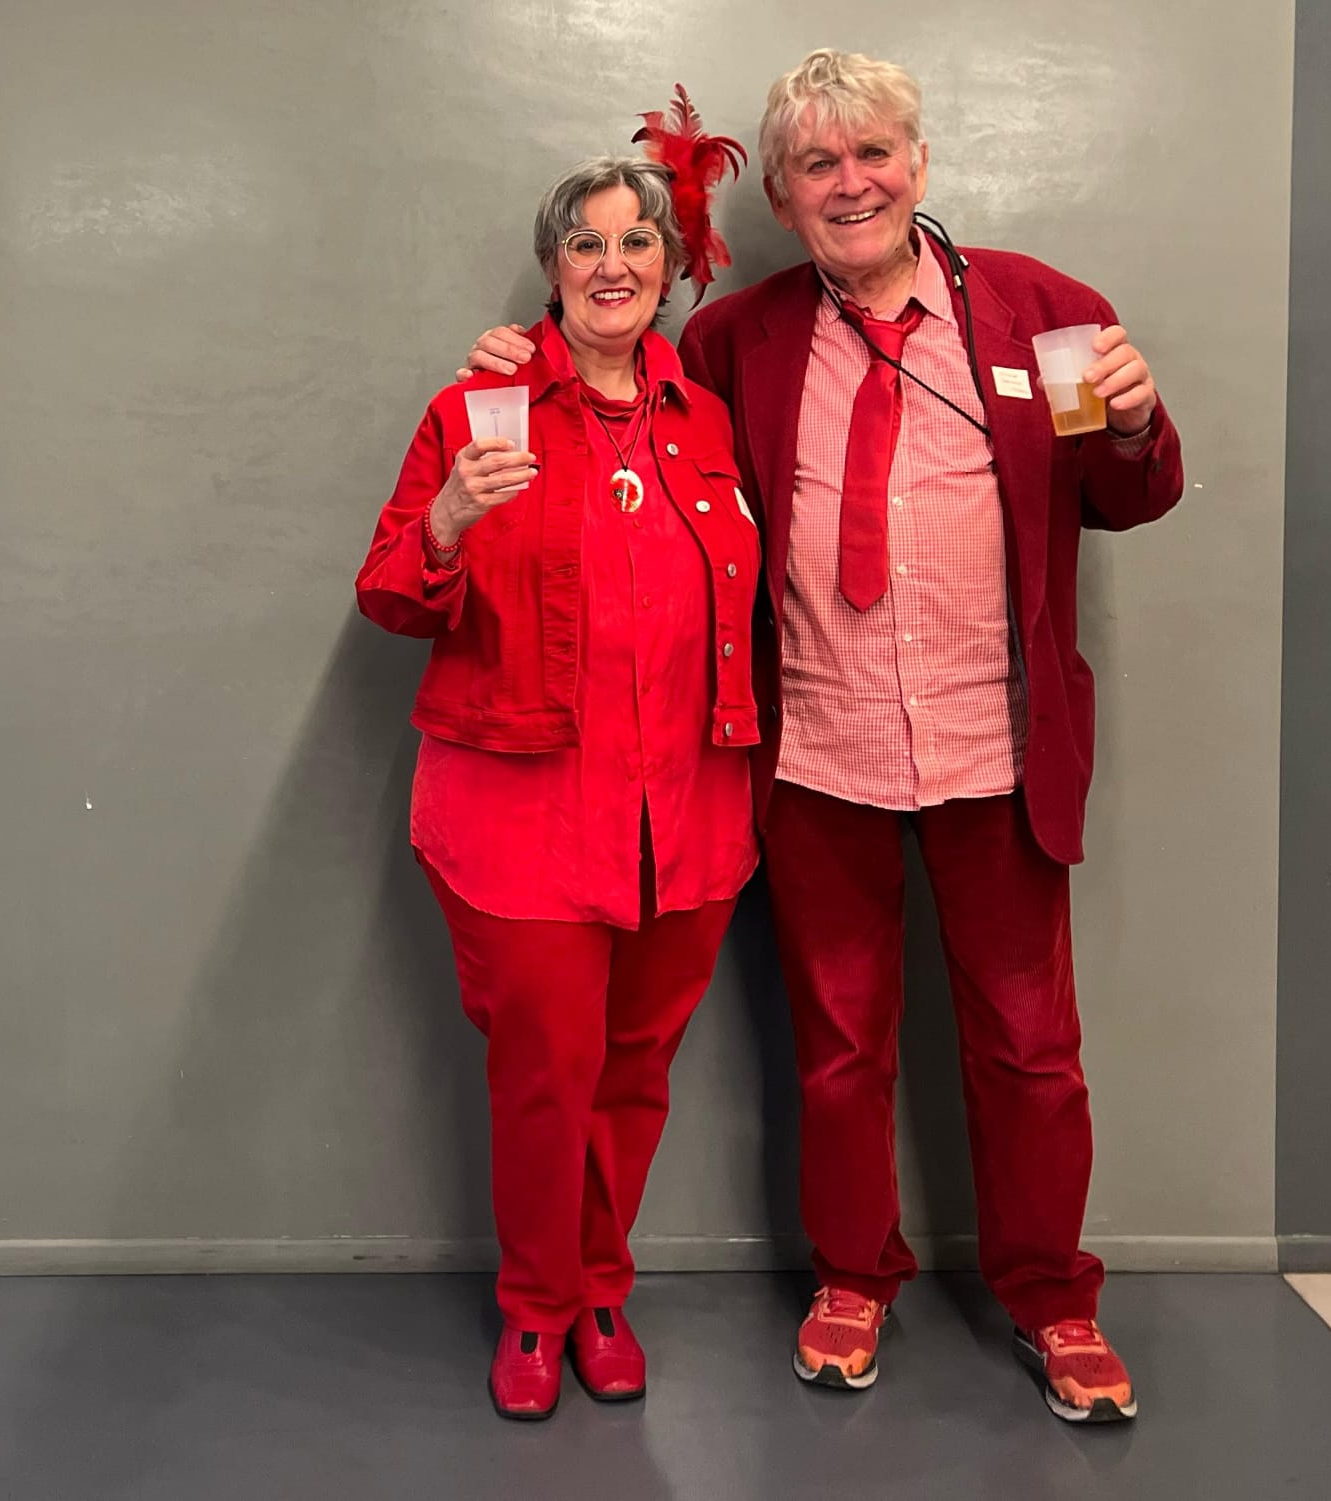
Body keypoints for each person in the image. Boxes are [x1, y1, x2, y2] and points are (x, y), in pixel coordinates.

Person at [457, 50, 1183, 1424]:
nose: (852, 184)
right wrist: (519, 357)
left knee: (1031, 1047)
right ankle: (854, 1275)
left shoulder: (1043, 313)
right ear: (783, 199)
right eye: (817, 165)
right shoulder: (740, 339)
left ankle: (1053, 1297)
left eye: (874, 154)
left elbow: (1122, 493)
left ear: (918, 163)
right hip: (818, 753)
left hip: (996, 748)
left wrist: (1140, 426)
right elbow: (623, 405)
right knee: (841, 1047)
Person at [357, 108, 758, 1422]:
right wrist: (448, 518)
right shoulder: (476, 409)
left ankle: (600, 1289)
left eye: (638, 240)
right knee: (544, 1074)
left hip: (685, 810)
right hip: (521, 812)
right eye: (585, 241)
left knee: (635, 1069)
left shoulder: (710, 421)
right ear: (552, 267)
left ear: (670, 268)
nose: (612, 261)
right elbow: (389, 594)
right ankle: (538, 1305)